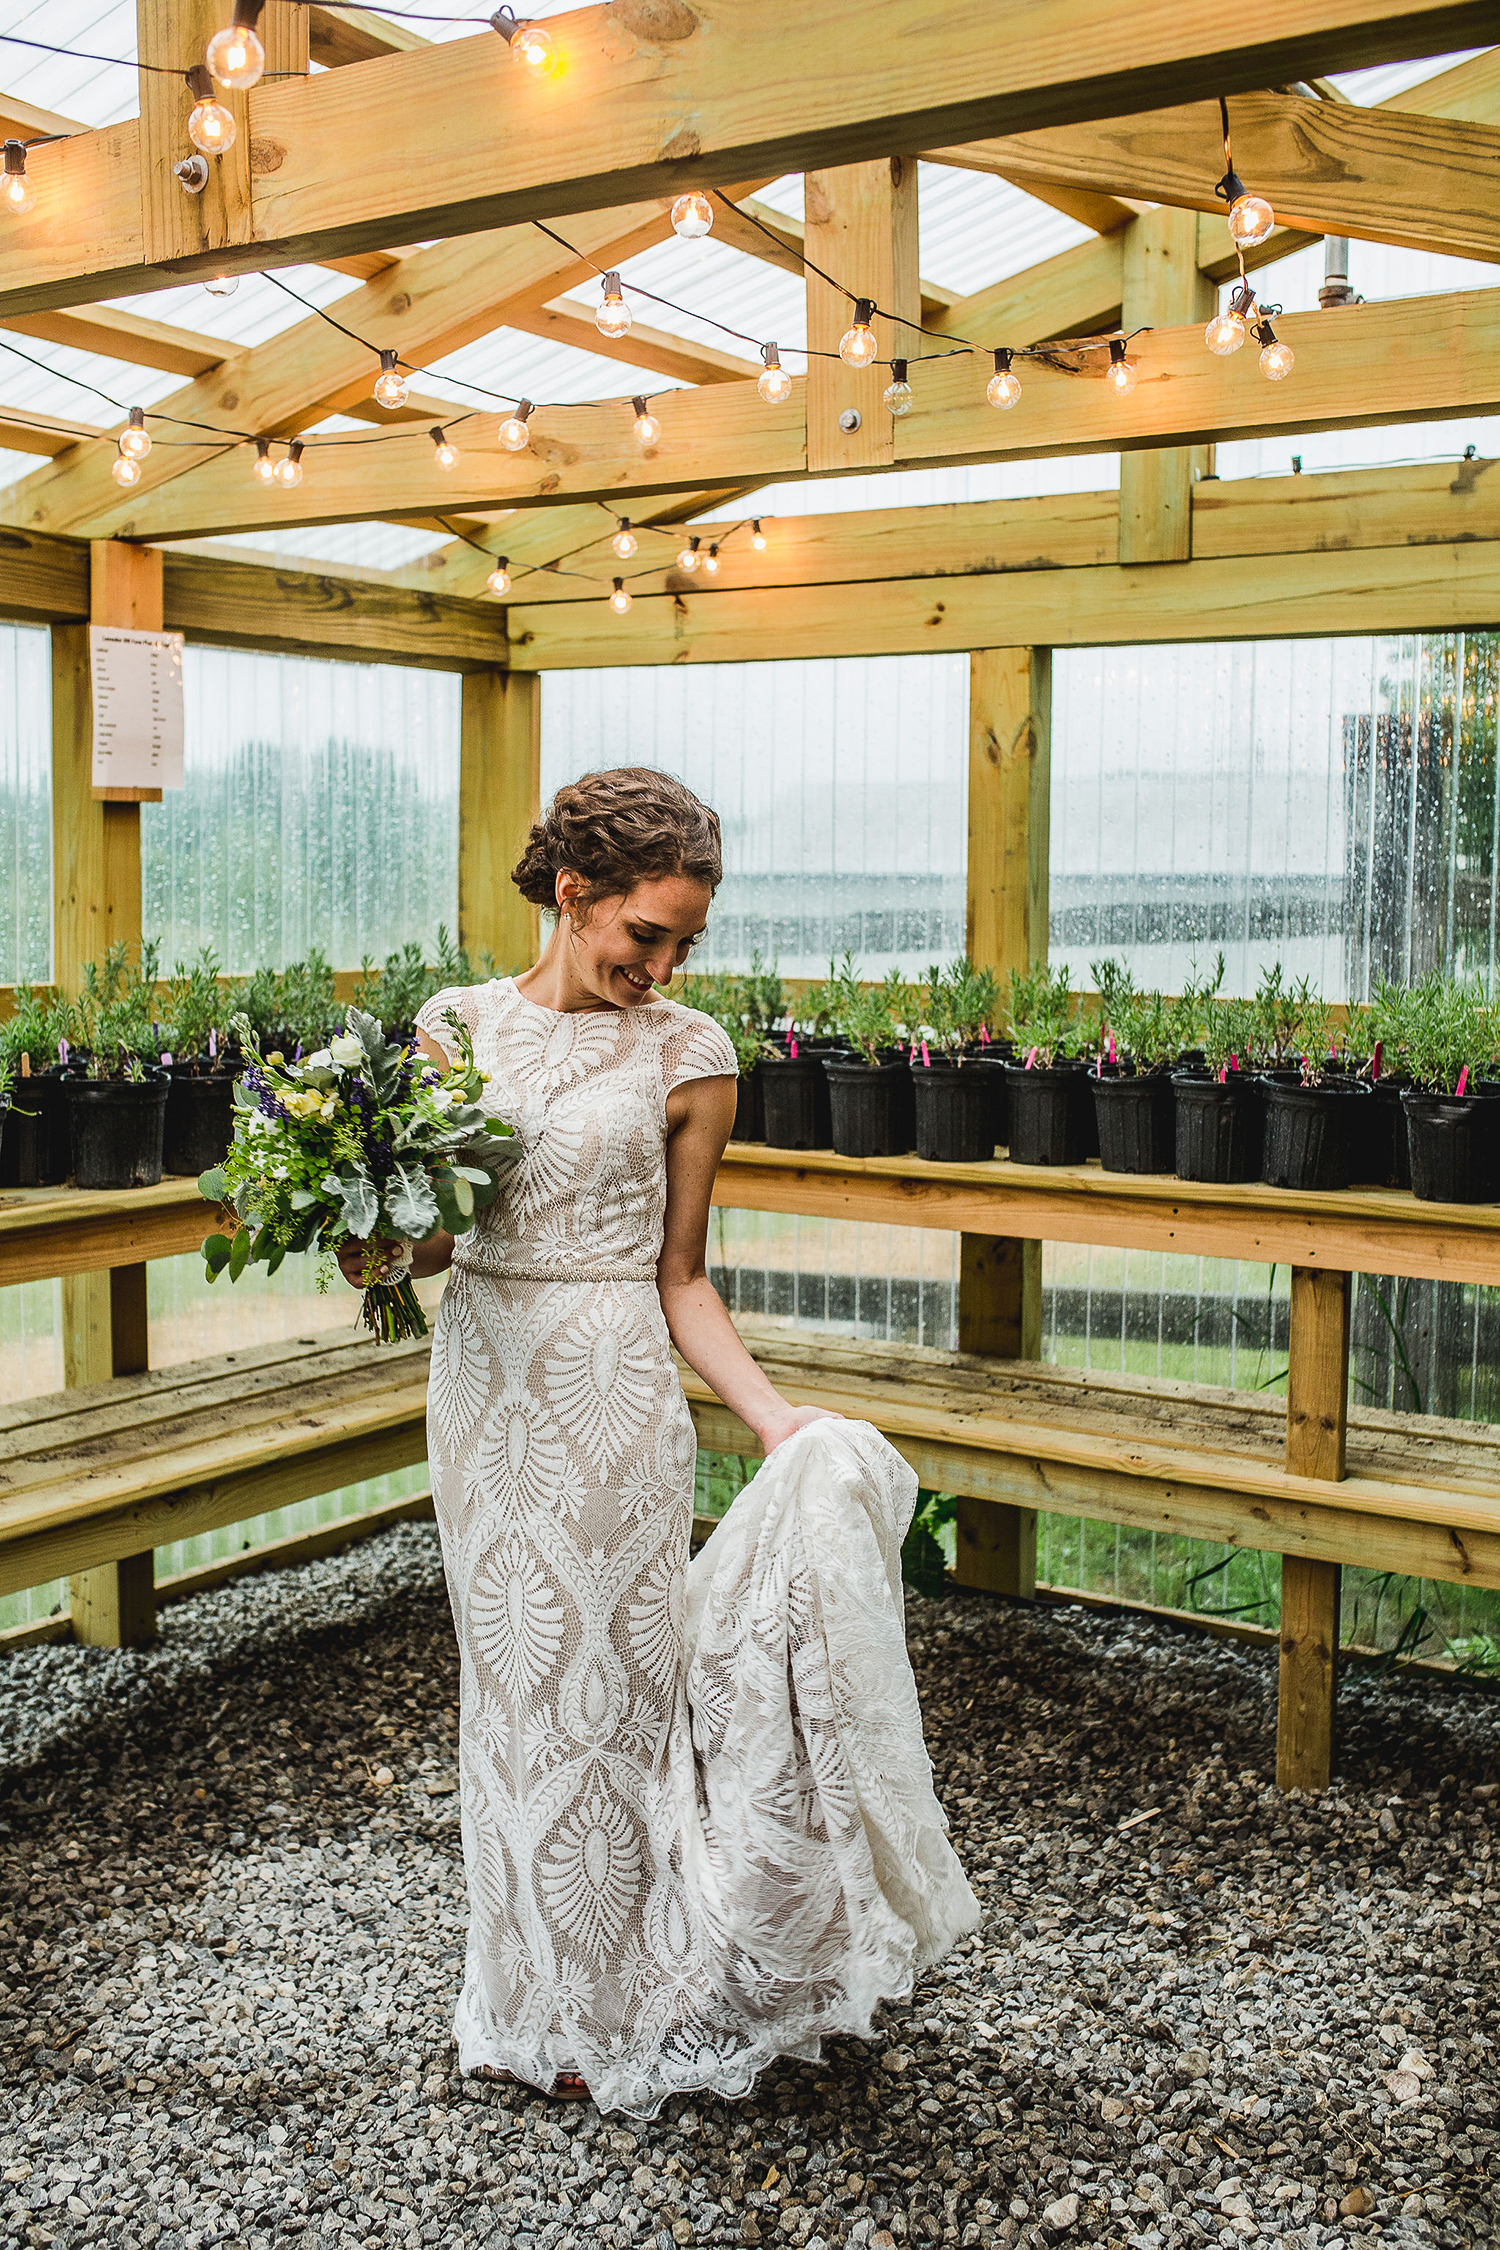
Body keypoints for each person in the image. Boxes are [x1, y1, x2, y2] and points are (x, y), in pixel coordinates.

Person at [340, 766, 977, 2116]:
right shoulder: (453, 1029)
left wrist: (777, 1419)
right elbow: (437, 1239)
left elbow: (681, 1275)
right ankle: (530, 1996)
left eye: (685, 939)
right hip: (486, 1390)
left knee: (618, 1703)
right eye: (647, 933)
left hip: (615, 1402)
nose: (666, 961)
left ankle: (634, 1998)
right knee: (510, 1700)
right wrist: (365, 1236)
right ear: (574, 897)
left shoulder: (691, 1058)